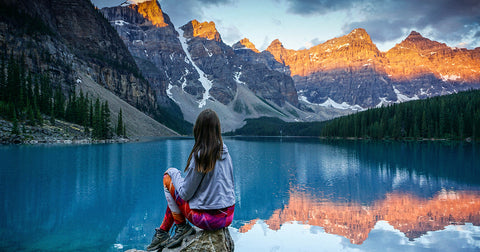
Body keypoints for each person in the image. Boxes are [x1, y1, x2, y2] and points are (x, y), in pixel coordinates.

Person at [147, 109, 235, 251]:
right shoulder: (225, 153)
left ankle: (181, 228)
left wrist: (173, 172)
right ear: (217, 129)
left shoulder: (201, 155)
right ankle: (163, 231)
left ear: (198, 130)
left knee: (168, 179)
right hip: (227, 216)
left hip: (208, 219)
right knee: (176, 193)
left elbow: (185, 194)